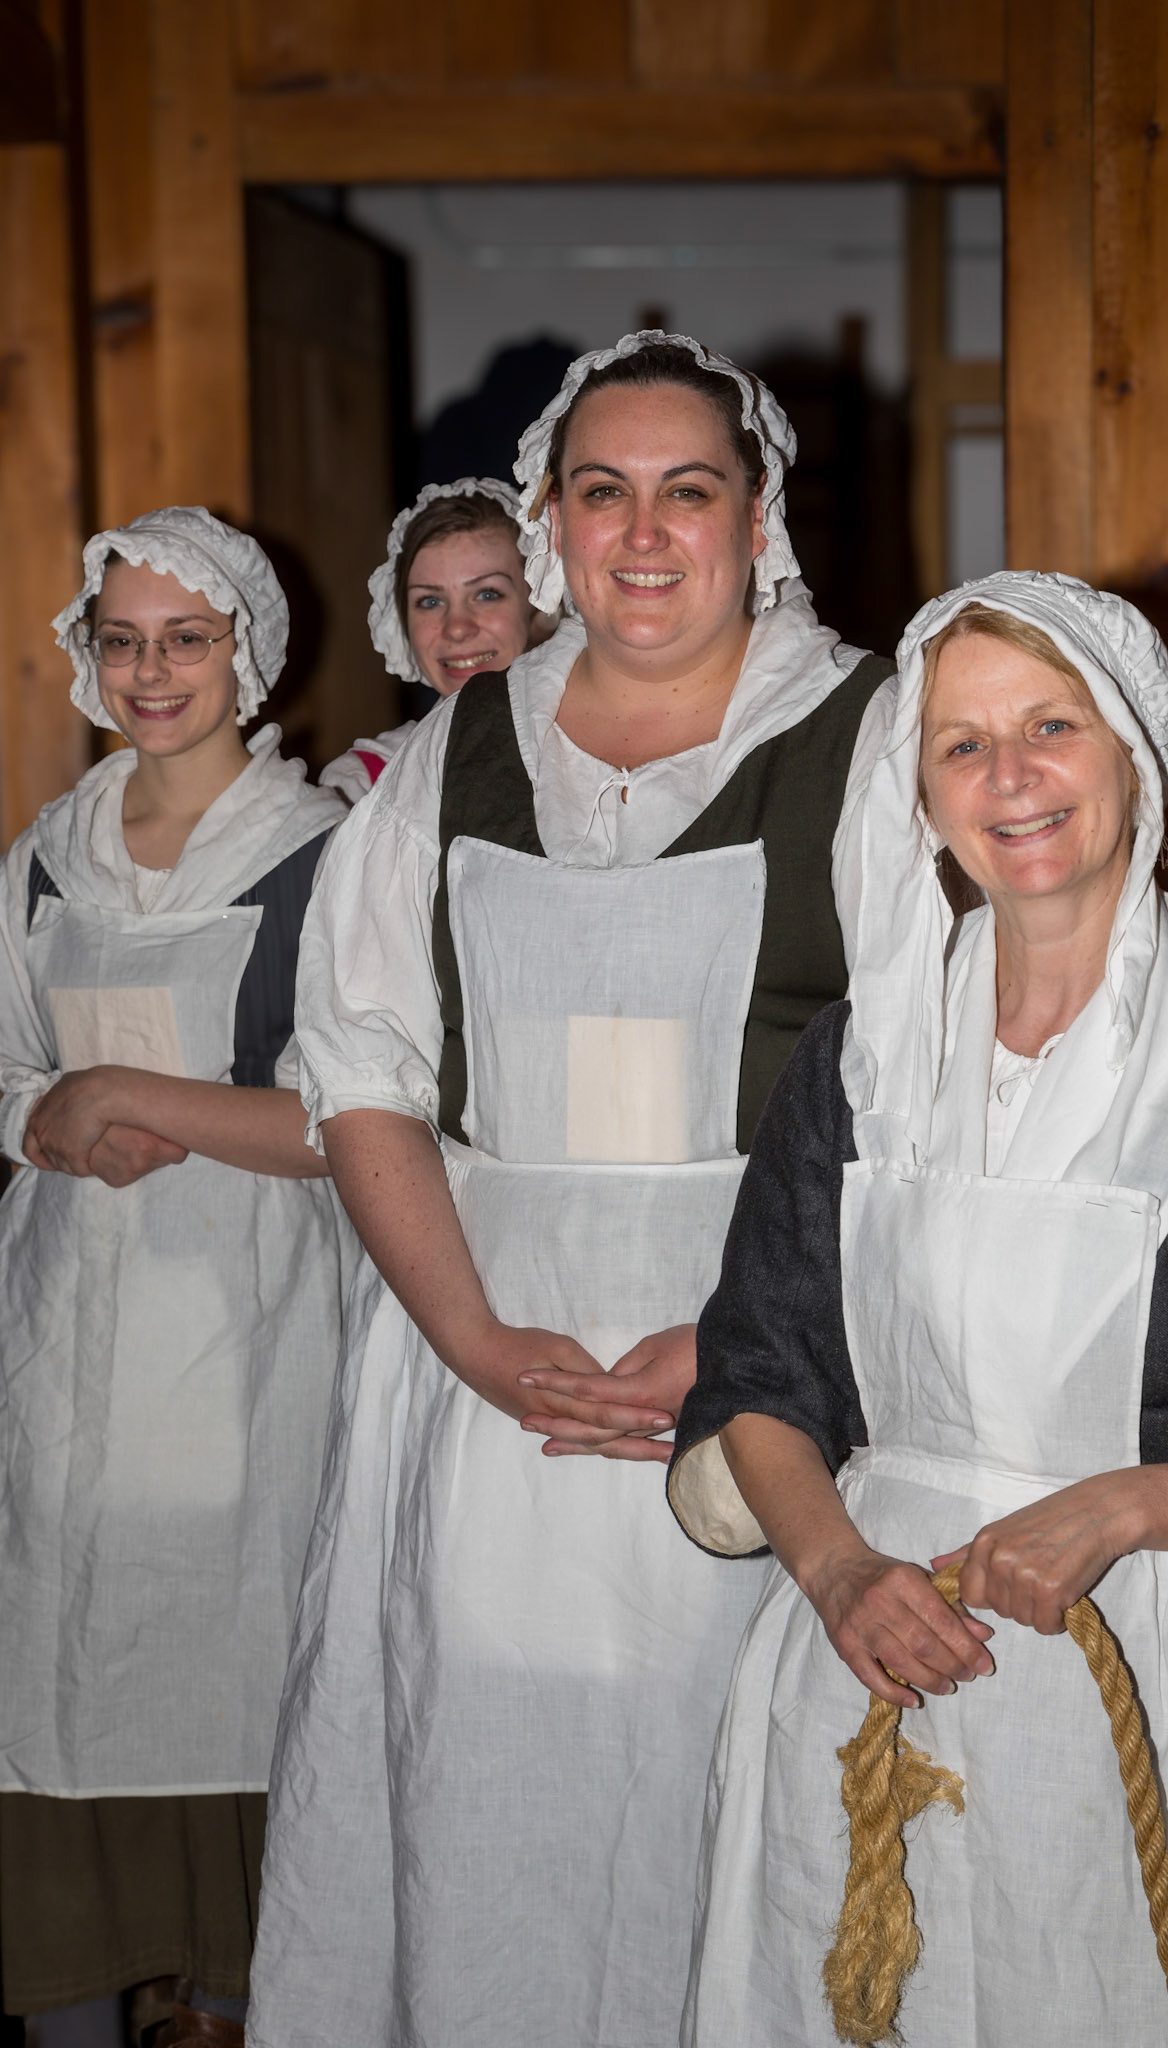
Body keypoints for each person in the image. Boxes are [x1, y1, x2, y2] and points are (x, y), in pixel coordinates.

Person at [246, 332, 898, 2048]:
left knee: (740, 1810)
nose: (646, 532)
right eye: (603, 491)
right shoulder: (456, 750)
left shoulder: (873, 736)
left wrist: (748, 1343)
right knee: (488, 1805)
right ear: (551, 521)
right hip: (485, 1388)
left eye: (691, 489)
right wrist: (470, 1337)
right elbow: (361, 1065)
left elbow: (925, 1089)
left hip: (774, 1375)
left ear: (757, 516)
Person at [668, 572, 1168, 2046]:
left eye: (1052, 726)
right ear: (919, 795)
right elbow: (761, 1373)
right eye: (963, 744)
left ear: (1134, 751)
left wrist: (1118, 1507)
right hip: (867, 1643)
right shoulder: (854, 1060)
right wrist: (838, 1572)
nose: (1012, 776)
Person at [0, 509, 353, 2048]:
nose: (152, 673)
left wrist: (139, 1102)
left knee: (242, 1677)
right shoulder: (45, 857)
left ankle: (239, 2002)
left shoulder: (320, 854)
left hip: (251, 1329)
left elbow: (360, 1120)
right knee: (64, 1672)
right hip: (68, 1329)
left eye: (186, 640)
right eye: (123, 641)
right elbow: (6, 1070)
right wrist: (48, 1120)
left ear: (247, 651)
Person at [321, 478, 542, 803]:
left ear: (537, 604)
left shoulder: (598, 759)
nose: (457, 628)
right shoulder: (365, 785)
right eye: (430, 601)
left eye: (487, 594)